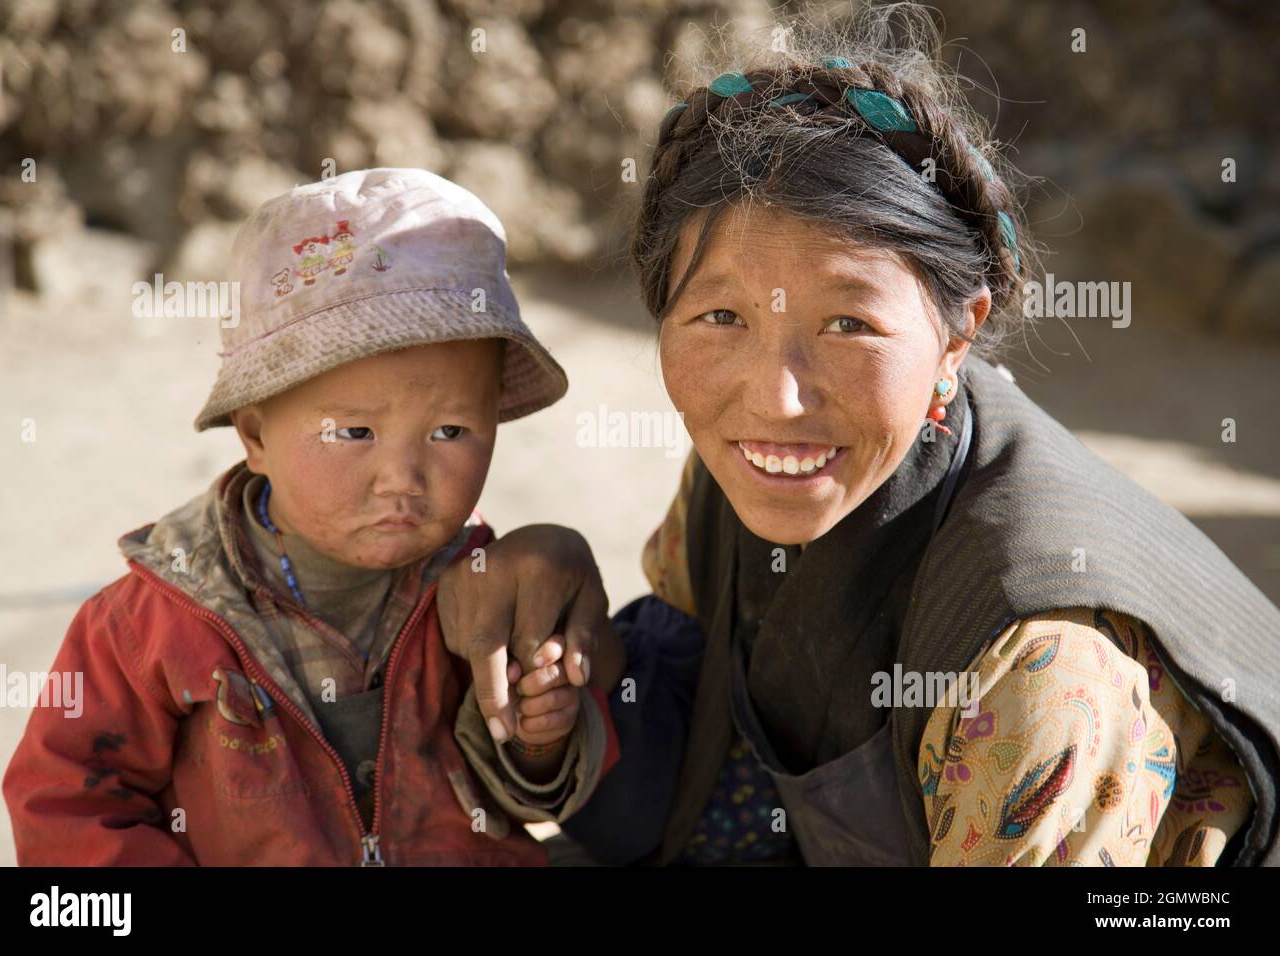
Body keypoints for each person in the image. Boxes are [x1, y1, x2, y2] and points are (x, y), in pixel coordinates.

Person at [436, 7, 1280, 866]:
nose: (777, 399)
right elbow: (706, 764)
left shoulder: (1045, 667)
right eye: (720, 316)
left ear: (957, 337)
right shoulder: (752, 477)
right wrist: (562, 684)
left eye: (848, 323)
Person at [2, 168, 619, 866]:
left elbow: (530, 797)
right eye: (353, 434)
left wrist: (541, 738)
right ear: (256, 436)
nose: (403, 479)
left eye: (450, 431)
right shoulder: (154, 621)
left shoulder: (486, 586)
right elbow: (67, 806)